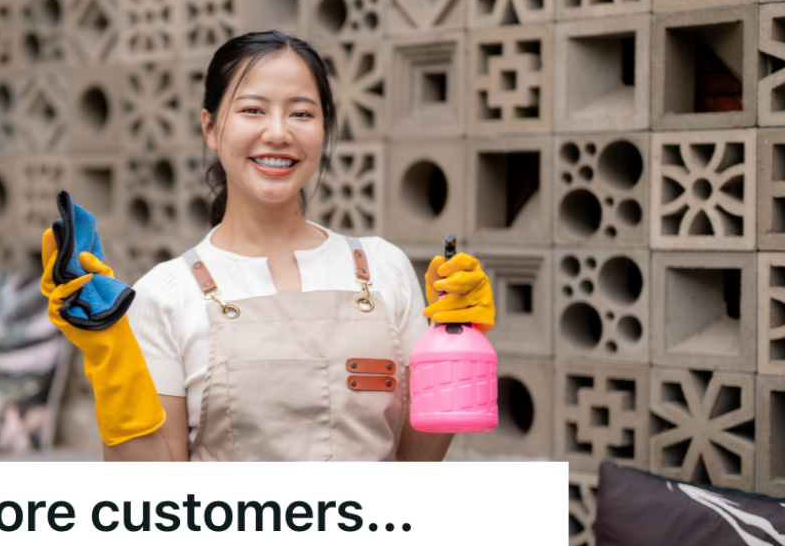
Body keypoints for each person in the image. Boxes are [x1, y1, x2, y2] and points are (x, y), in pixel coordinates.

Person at [40, 30, 494, 462]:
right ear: (211, 128)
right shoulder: (167, 293)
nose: (278, 133)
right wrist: (111, 360)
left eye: (301, 113)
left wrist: (454, 345)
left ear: (324, 129)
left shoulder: (385, 269)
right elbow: (153, 500)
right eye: (252, 110)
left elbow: (416, 464)